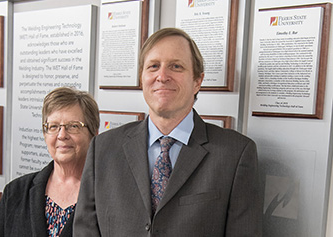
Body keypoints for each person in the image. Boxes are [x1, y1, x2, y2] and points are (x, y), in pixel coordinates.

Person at [73, 28, 262, 236]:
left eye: (176, 66)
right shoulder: (103, 148)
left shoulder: (235, 154)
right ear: (142, 78)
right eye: (153, 66)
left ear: (197, 81)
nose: (162, 76)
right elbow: (85, 230)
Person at [0, 87, 99, 237]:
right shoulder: (15, 192)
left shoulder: (108, 195)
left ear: (94, 133)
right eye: (53, 126)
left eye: (73, 126)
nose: (62, 135)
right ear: (45, 135)